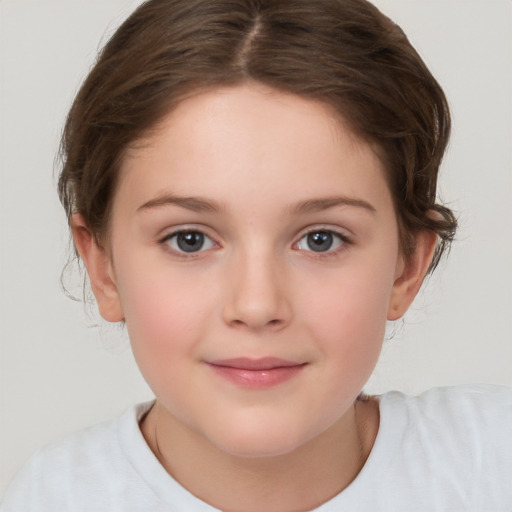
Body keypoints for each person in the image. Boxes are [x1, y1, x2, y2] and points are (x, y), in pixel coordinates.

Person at [1, 0, 510, 510]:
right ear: (103, 268)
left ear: (407, 267)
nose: (256, 305)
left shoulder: (492, 465)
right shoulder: (51, 498)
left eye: (321, 239)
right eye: (189, 239)